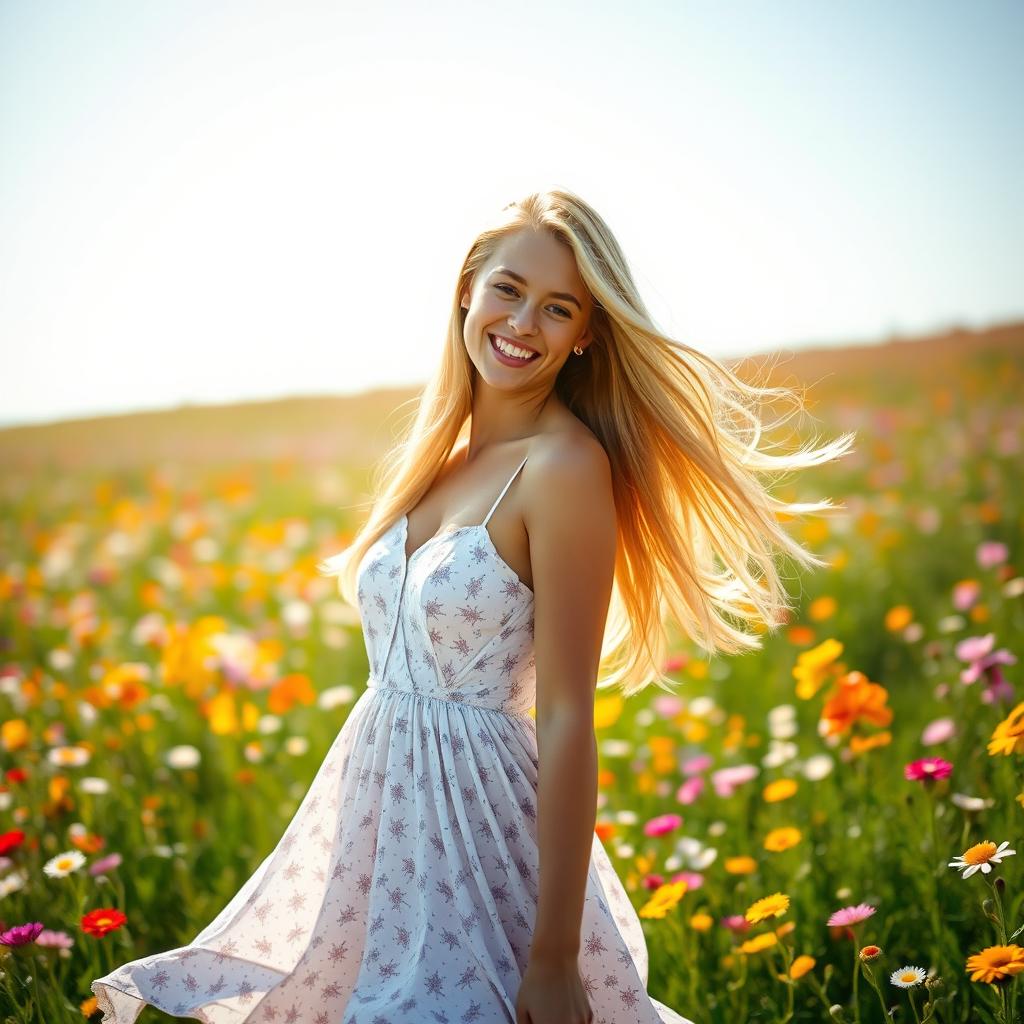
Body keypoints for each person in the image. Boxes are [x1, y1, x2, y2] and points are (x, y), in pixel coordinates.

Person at [91, 188, 854, 1024]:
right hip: (379, 833)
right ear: (467, 289)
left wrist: (556, 955)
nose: (523, 322)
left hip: (480, 835)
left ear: (585, 334)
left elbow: (566, 715)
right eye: (508, 289)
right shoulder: (439, 459)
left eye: (557, 308)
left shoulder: (563, 468)